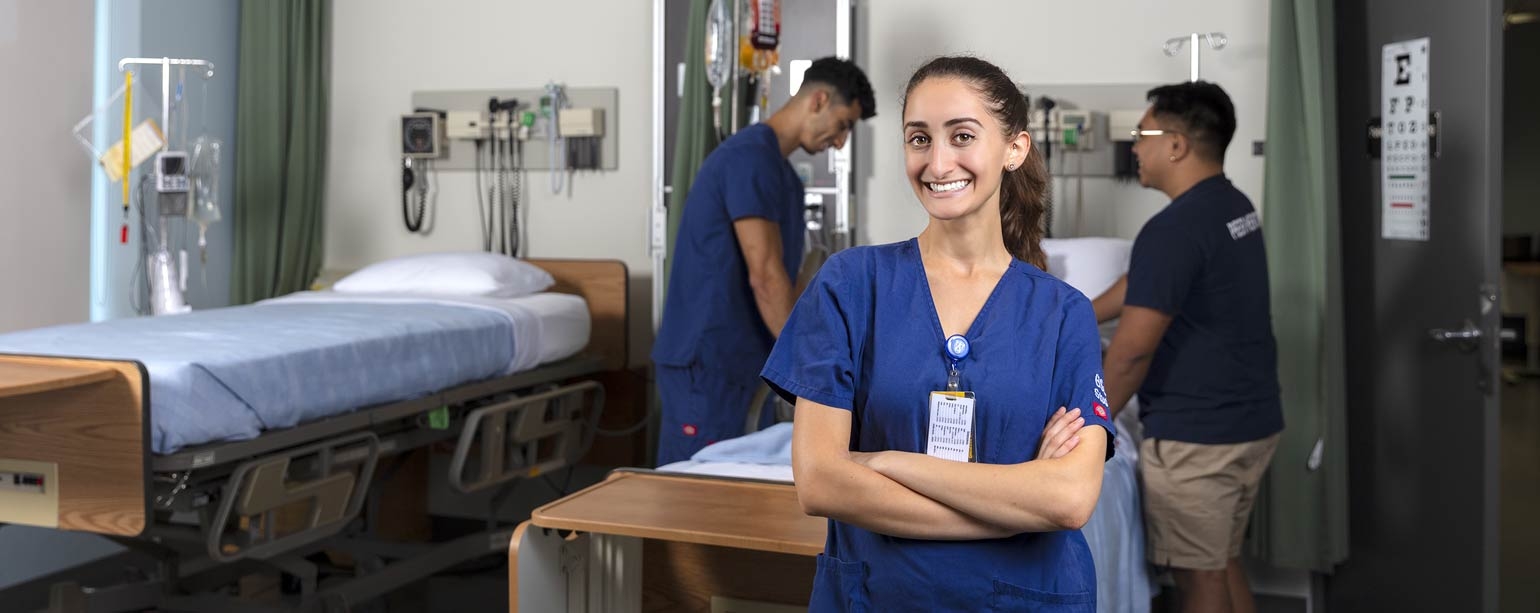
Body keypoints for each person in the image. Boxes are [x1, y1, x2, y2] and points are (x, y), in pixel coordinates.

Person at [762, 56, 1114, 612]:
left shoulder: (1063, 313)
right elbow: (820, 483)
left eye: (963, 136)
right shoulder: (851, 285)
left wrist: (883, 461)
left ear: (1014, 149)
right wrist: (1012, 512)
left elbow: (1069, 499)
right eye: (919, 138)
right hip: (877, 597)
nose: (937, 161)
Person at [1092, 81, 1284, 613]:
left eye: (1143, 134)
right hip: (1252, 422)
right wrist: (1076, 315)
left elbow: (1130, 355)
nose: (1134, 146)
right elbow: (1147, 283)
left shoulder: (1172, 229)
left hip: (1198, 439)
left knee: (1197, 581)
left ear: (1176, 144)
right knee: (1221, 561)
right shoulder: (1231, 206)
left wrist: (1089, 422)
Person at [651, 57, 877, 466]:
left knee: (734, 495)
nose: (841, 142)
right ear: (819, 99)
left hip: (740, 361)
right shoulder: (749, 159)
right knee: (693, 495)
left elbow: (787, 280)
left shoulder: (782, 175)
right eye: (843, 124)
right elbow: (767, 279)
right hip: (708, 366)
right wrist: (807, 371)